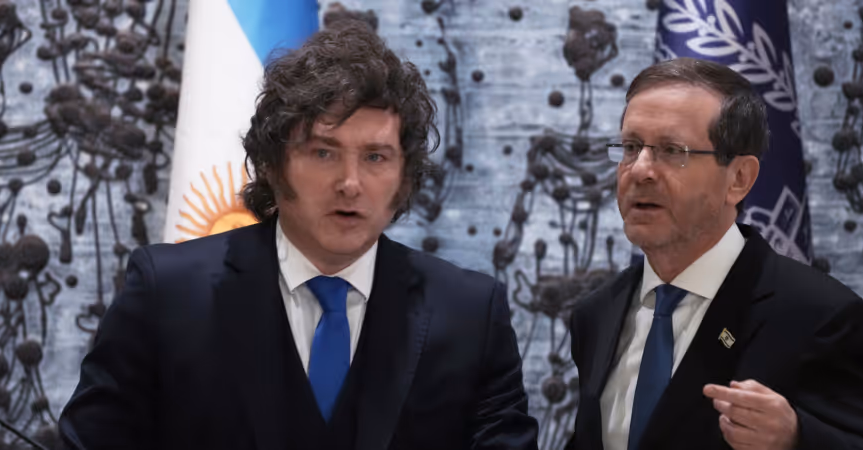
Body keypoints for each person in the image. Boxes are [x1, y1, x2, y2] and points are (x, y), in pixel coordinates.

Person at [59, 22, 538, 450]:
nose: (350, 183)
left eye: (375, 157)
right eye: (323, 153)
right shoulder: (166, 293)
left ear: (404, 177)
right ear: (272, 164)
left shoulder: (471, 315)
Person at [565, 57, 863, 450]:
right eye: (631, 147)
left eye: (671, 150)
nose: (640, 170)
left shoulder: (821, 316)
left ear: (739, 179)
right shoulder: (596, 314)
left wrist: (795, 438)